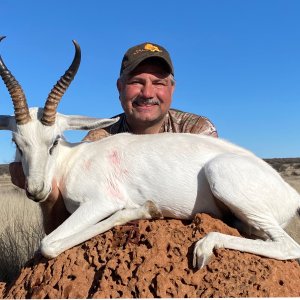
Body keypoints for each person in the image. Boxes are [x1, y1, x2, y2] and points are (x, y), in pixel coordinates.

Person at [10, 42, 218, 233]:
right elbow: (66, 228)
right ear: (120, 88)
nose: (147, 92)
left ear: (171, 89)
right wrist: (49, 196)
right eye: (137, 82)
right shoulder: (97, 141)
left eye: (158, 82)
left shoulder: (197, 131)